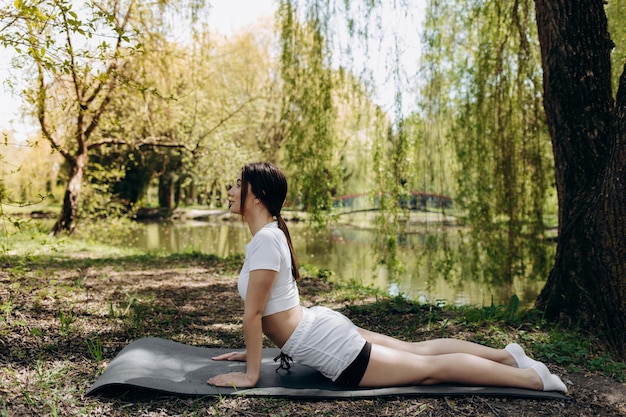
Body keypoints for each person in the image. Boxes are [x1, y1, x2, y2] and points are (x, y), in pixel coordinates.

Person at [207, 162, 567, 393]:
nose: (230, 190)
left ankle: (531, 378)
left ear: (258, 196)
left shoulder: (267, 239)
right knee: (417, 352)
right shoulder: (268, 235)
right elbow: (272, 310)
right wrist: (254, 352)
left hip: (325, 342)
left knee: (429, 369)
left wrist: (252, 375)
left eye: (238, 184)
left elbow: (255, 315)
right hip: (317, 328)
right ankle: (507, 356)